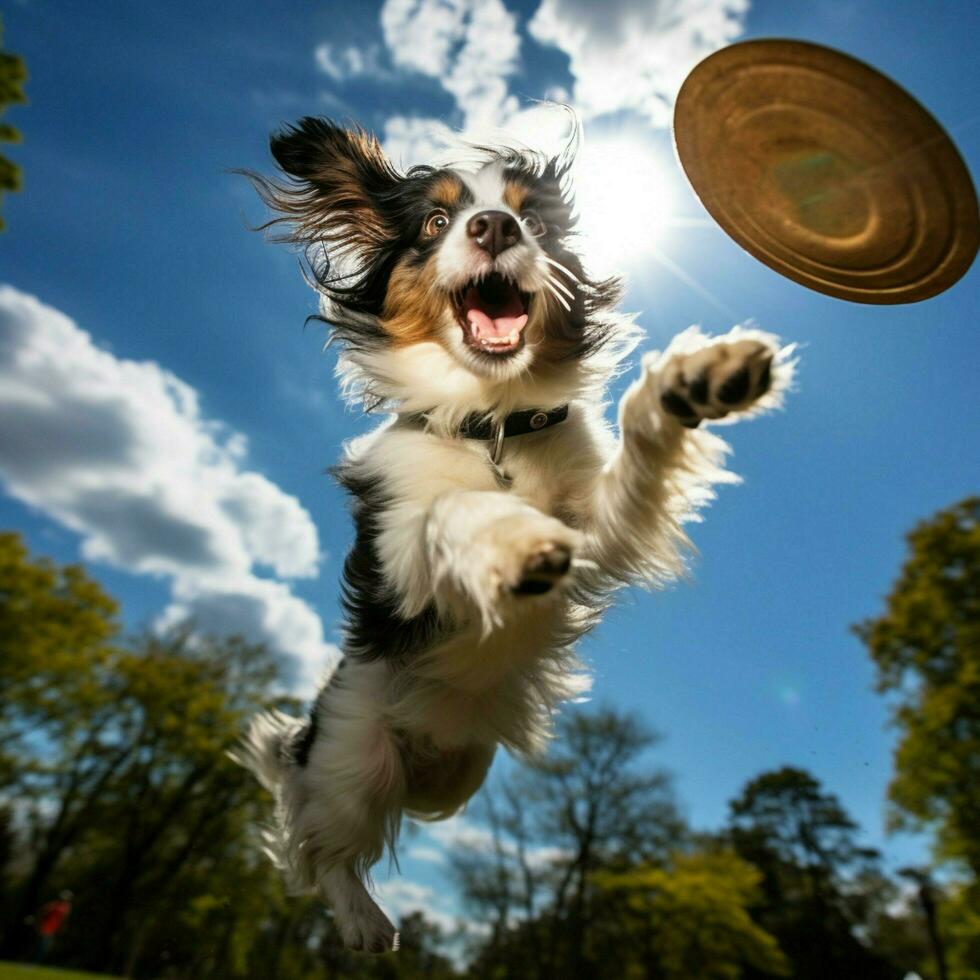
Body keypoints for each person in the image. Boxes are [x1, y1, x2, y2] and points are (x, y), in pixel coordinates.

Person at [34, 890, 73, 963]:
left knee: (47, 947)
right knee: (43, 947)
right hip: (45, 928)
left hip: (55, 930)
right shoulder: (53, 905)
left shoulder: (67, 908)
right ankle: (36, 962)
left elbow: (64, 920)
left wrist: (62, 929)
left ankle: (40, 963)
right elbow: (41, 914)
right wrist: (38, 925)